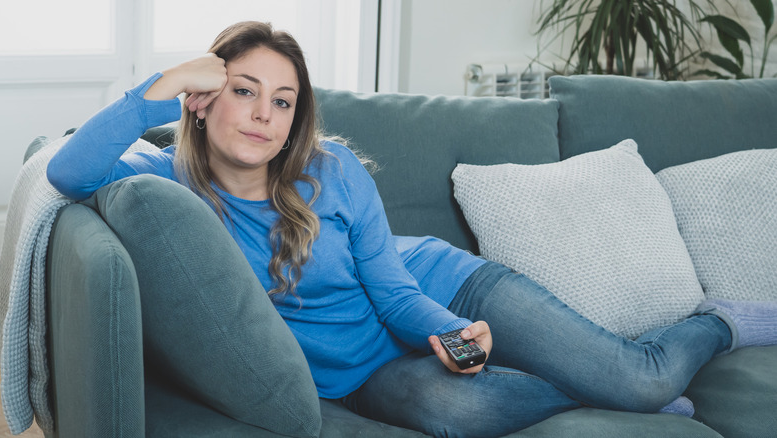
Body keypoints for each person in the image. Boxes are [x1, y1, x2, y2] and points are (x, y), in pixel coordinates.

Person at [46, 21, 777, 438]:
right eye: (243, 91)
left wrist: (448, 328)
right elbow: (67, 170)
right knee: (456, 410)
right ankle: (606, 385)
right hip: (367, 375)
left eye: (284, 100)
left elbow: (392, 291)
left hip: (444, 287)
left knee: (642, 380)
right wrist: (165, 83)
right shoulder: (165, 186)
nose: (265, 114)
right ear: (205, 100)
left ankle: (716, 324)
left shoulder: (329, 171)